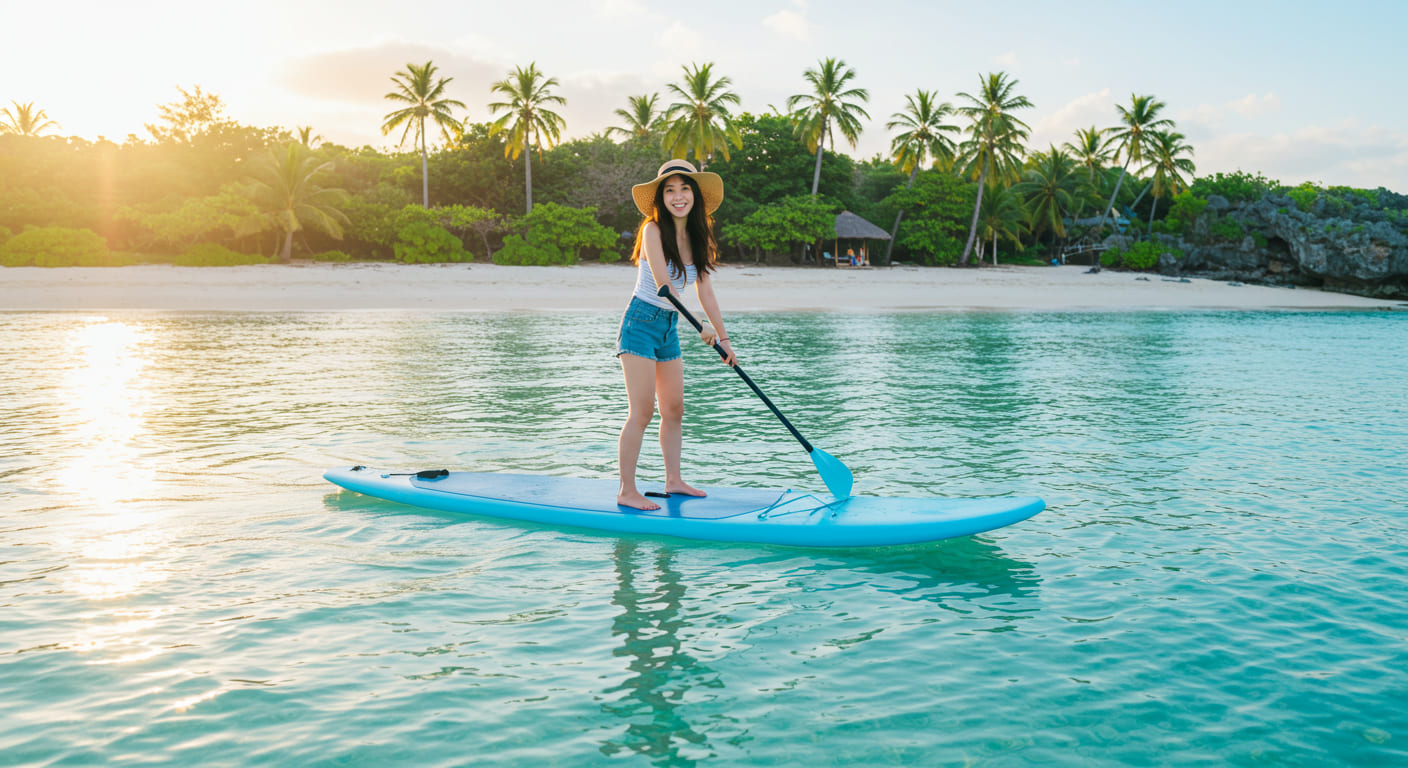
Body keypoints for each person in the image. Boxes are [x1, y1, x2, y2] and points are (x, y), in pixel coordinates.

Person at [616, 160, 735, 510]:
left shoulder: (699, 237)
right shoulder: (652, 230)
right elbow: (666, 287)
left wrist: (724, 340)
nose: (678, 196)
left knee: (674, 409)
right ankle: (626, 490)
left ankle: (674, 480)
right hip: (640, 323)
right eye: (670, 190)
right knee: (641, 412)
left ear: (695, 196)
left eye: (684, 189)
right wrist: (701, 327)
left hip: (667, 328)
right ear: (661, 198)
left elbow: (705, 290)